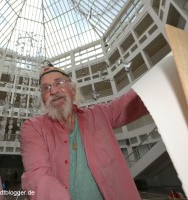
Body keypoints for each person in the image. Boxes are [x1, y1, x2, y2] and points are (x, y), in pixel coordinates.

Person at [19, 66, 149, 200]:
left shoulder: (100, 114)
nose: (53, 91)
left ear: (73, 90)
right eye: (46, 88)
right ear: (43, 98)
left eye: (59, 83)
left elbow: (135, 101)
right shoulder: (32, 128)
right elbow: (38, 176)